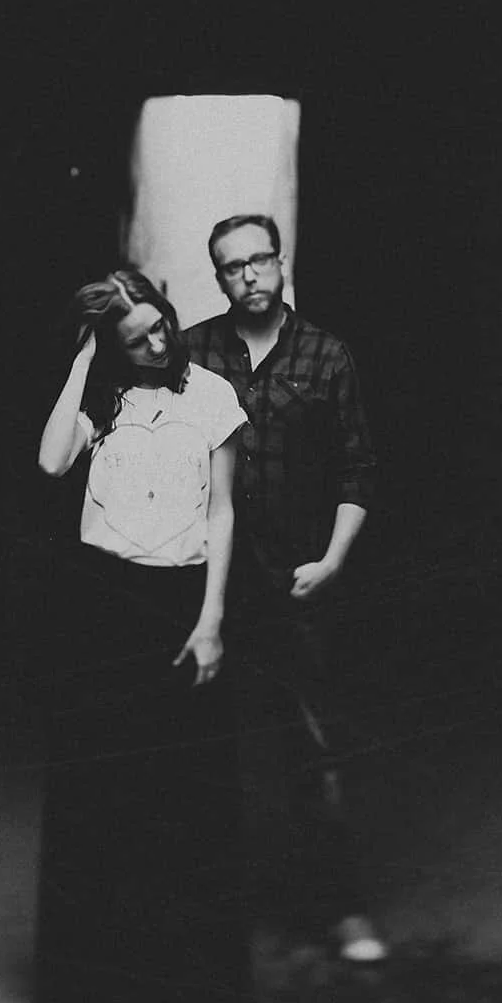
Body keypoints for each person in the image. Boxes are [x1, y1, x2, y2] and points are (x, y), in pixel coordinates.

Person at [33, 267, 256, 1003]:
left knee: (186, 796)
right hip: (101, 608)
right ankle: (93, 990)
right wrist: (83, 362)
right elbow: (51, 462)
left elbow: (223, 510)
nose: (158, 344)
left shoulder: (211, 397)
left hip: (182, 603)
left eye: (160, 325)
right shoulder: (103, 401)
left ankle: (188, 990)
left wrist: (211, 619)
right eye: (136, 340)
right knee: (103, 794)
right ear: (112, 348)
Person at [185, 213, 387, 964]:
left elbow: (357, 469)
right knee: (204, 745)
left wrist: (332, 560)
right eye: (233, 266)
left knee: (311, 741)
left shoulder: (327, 356)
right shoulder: (194, 353)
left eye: (260, 260)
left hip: (298, 579)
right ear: (219, 277)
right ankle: (205, 915)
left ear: (280, 262)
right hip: (210, 580)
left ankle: (341, 910)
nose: (249, 275)